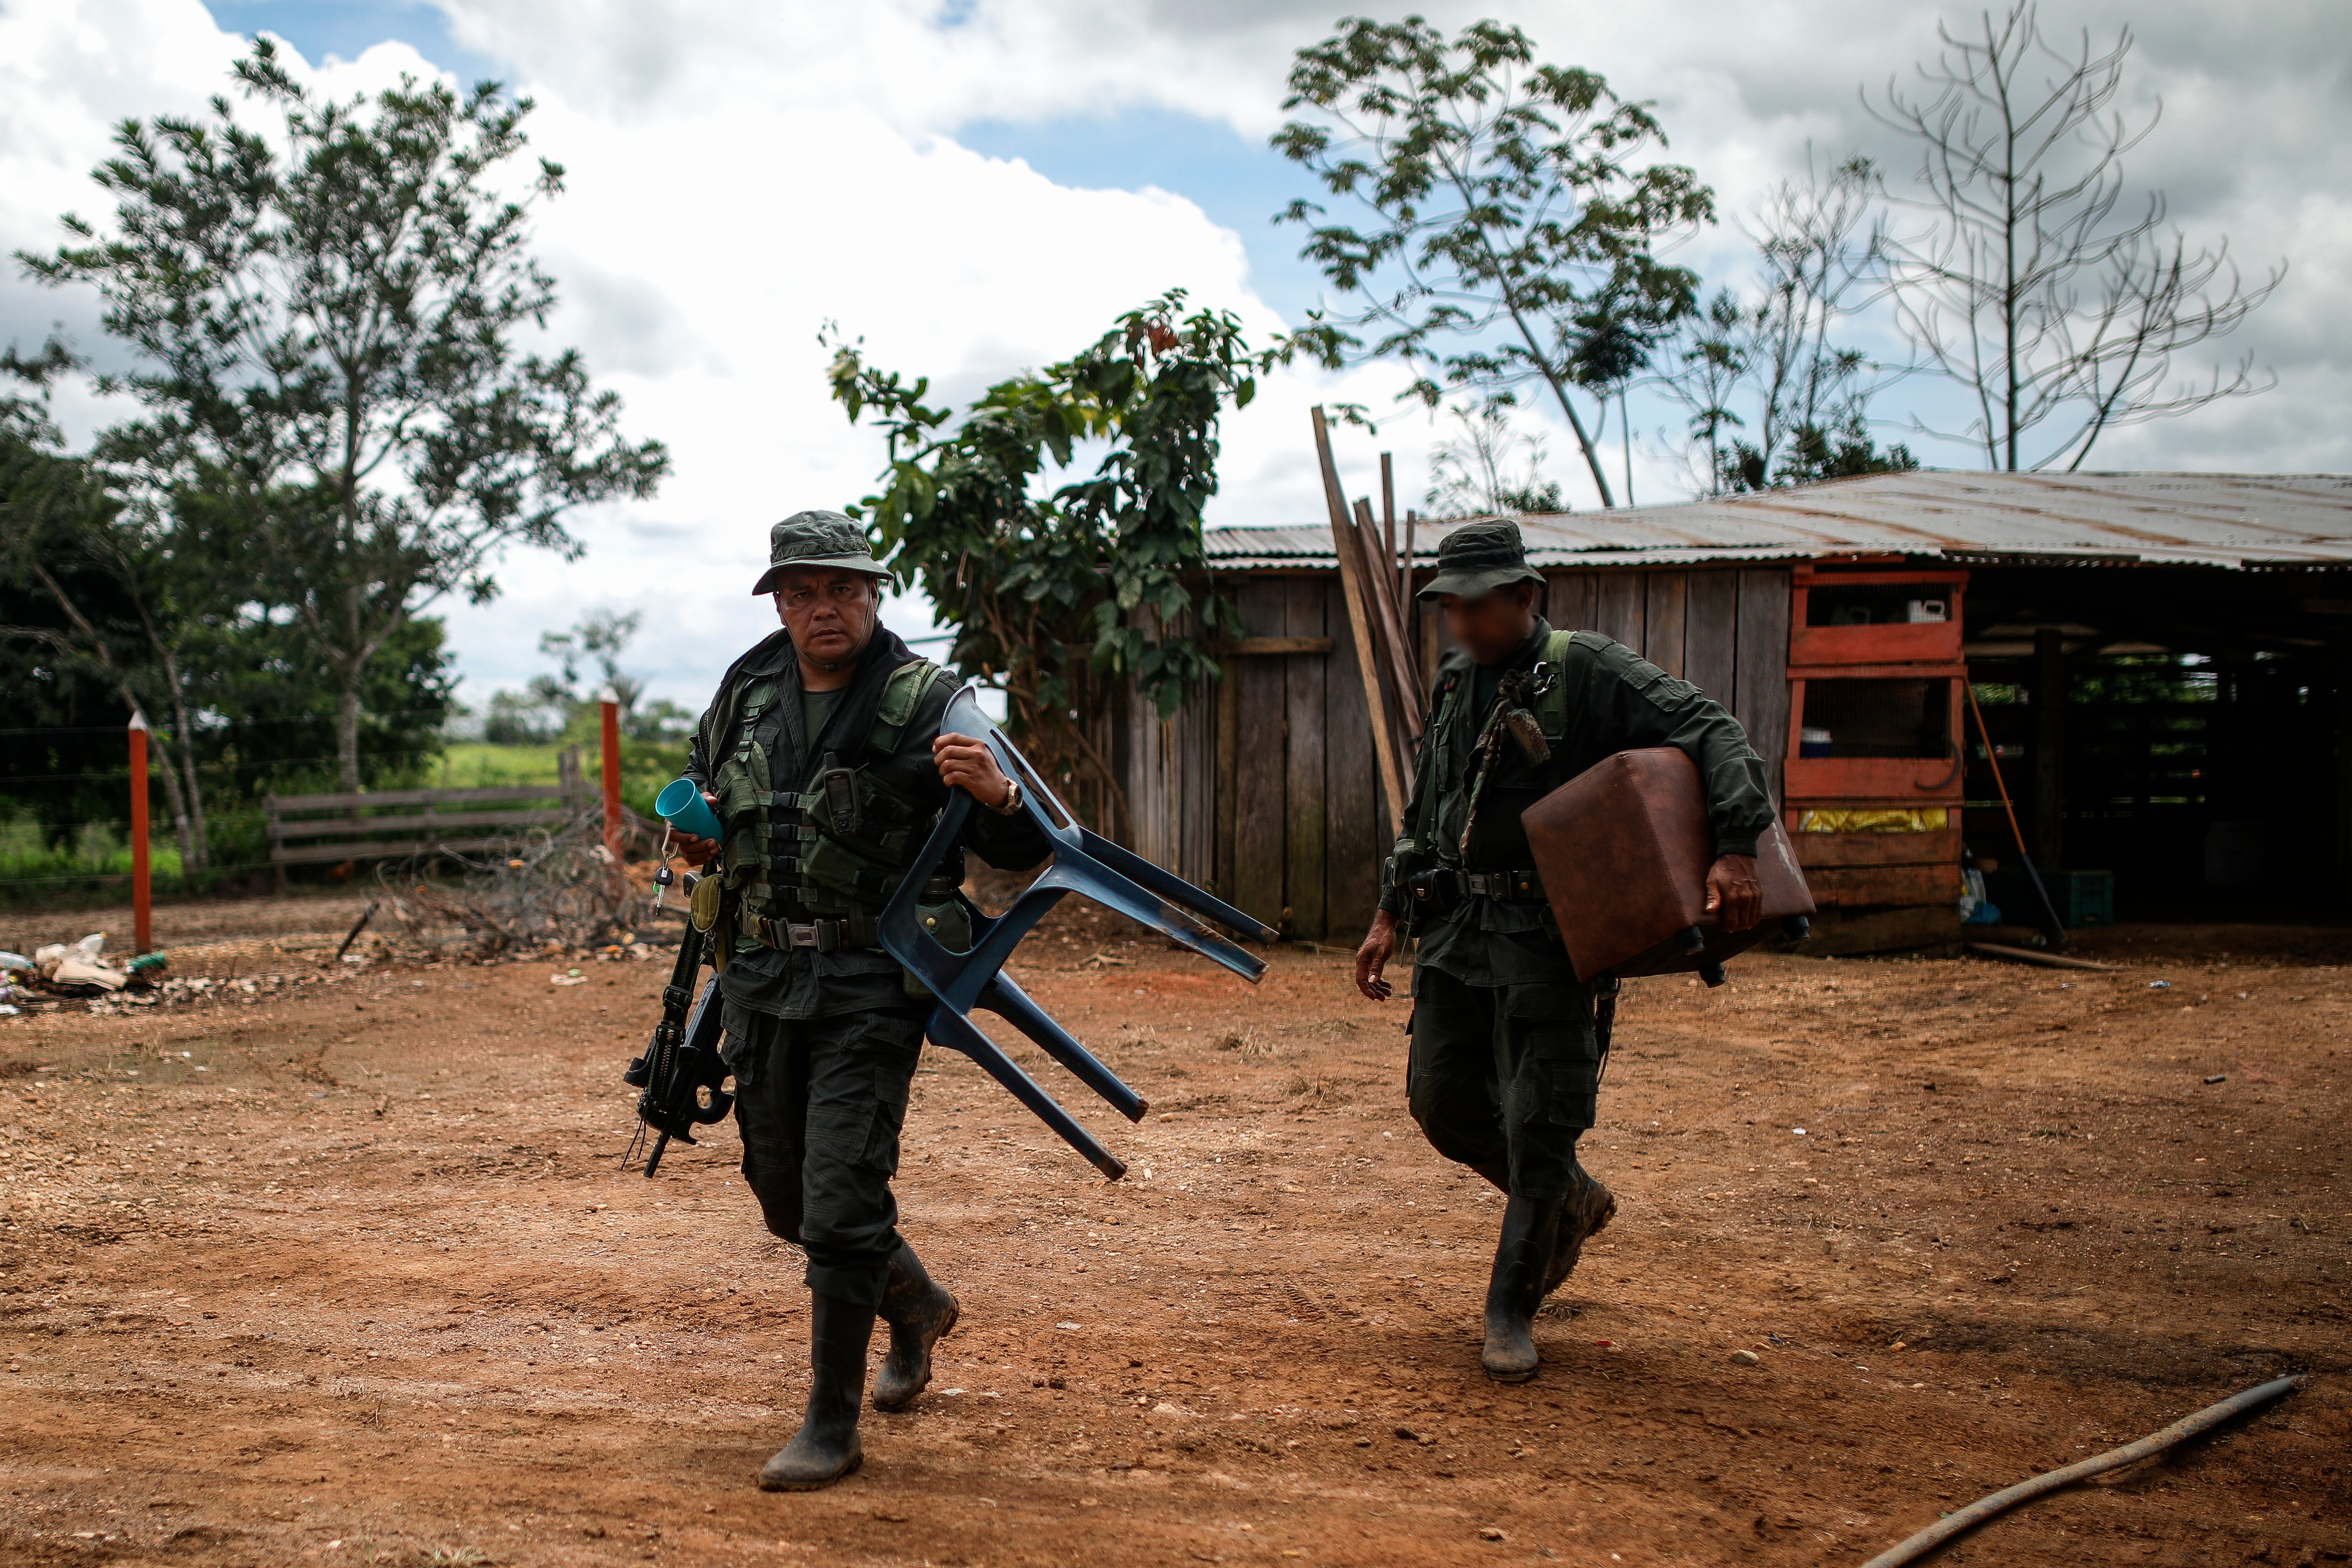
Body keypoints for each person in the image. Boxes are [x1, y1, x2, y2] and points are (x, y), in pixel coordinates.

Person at [669, 510, 1049, 1489]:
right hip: (756, 978)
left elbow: (1031, 844)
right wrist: (699, 844)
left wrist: (999, 801)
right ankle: (914, 1301)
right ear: (780, 602)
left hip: (872, 981)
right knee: (783, 1194)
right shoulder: (742, 695)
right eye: (802, 592)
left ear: (873, 595)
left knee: (840, 1203)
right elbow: (711, 812)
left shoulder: (931, 700)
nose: (822, 608)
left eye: (842, 588)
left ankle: (829, 1423)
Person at [1351, 520, 1774, 1382]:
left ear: (1524, 596)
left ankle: (1511, 1304)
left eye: (1476, 606)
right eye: (1449, 608)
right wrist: (1390, 914)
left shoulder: (1588, 669)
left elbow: (1714, 727)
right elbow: (1430, 803)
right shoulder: (1454, 681)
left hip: (1546, 935)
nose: (1461, 624)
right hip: (1457, 930)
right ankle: (1571, 1201)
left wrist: (1737, 846)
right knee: (1441, 1100)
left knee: (1541, 1117)